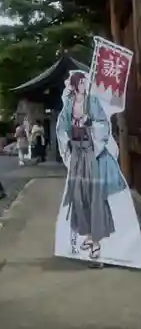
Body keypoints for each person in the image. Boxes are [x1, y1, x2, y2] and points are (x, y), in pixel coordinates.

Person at [57, 71, 126, 260]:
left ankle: (96, 241)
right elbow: (61, 129)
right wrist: (67, 138)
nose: (83, 84)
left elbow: (103, 124)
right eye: (80, 82)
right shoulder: (69, 105)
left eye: (84, 81)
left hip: (90, 152)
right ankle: (87, 234)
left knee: (94, 192)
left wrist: (91, 123)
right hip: (77, 153)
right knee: (78, 195)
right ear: (74, 84)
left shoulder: (92, 102)